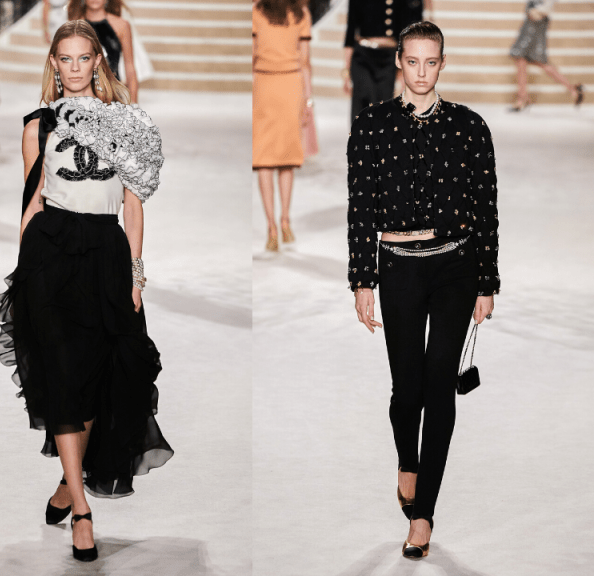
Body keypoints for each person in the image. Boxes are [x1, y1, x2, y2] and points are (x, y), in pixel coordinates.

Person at [0, 20, 172, 563]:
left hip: (106, 254)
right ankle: (84, 513)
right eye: (64, 59)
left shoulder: (127, 121)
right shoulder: (38, 125)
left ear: (98, 62)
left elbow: (133, 206)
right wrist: (23, 271)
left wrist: (136, 273)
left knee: (104, 376)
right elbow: (32, 200)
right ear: (53, 63)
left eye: (83, 58)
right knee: (65, 377)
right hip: (51, 254)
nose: (74, 67)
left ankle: (69, 484)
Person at [347, 22, 499, 559]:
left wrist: (487, 281)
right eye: (411, 61)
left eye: (430, 62)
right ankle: (406, 463)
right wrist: (362, 278)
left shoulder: (470, 126)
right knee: (406, 389)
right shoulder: (371, 126)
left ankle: (423, 513)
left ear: (442, 64)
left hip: (456, 267)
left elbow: (485, 208)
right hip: (399, 269)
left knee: (439, 389)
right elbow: (361, 207)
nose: (420, 71)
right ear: (399, 63)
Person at [252, 0, 312, 251]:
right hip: (291, 85)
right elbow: (305, 61)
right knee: (286, 158)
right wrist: (308, 99)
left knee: (264, 158)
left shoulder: (257, 12)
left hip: (264, 84)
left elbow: (253, 52)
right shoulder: (300, 14)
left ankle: (271, 227)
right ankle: (285, 220)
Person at [342, 0, 424, 124]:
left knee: (383, 108)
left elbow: (410, 33)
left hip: (389, 57)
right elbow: (350, 31)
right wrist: (346, 71)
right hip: (362, 57)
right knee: (362, 106)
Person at [509, 0, 583, 111]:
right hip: (528, 31)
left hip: (535, 33)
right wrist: (534, 11)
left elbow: (538, 13)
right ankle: (522, 99)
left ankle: (572, 89)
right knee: (521, 63)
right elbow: (532, 12)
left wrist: (536, 11)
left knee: (541, 63)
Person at [68, 0, 139, 102]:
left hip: (113, 97)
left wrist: (134, 104)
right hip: (81, 97)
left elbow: (130, 67)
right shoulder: (74, 27)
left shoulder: (121, 25)